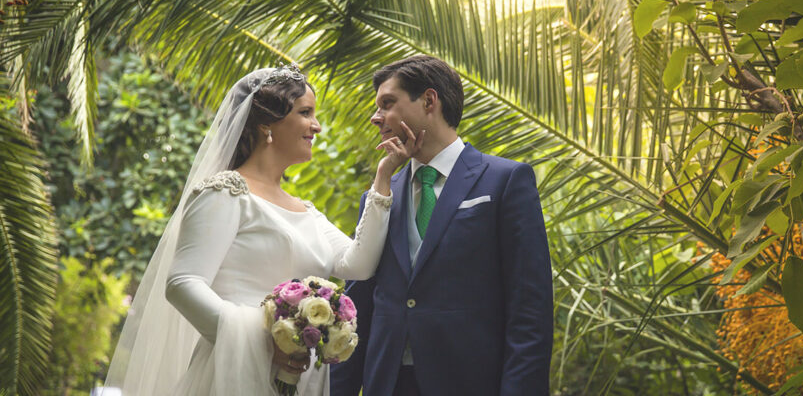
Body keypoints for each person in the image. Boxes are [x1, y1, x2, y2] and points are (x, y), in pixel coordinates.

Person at [103, 65, 421, 395]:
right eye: (306, 113)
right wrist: (267, 342)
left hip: (302, 379)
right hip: (234, 375)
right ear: (266, 122)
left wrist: (383, 180)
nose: (317, 126)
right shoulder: (225, 192)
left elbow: (359, 264)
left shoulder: (306, 211)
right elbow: (183, 284)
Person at [330, 55, 553, 395]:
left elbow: (530, 309)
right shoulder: (379, 194)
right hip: (388, 383)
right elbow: (358, 305)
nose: (376, 117)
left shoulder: (505, 181)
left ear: (429, 100)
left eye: (387, 104)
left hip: (470, 382)